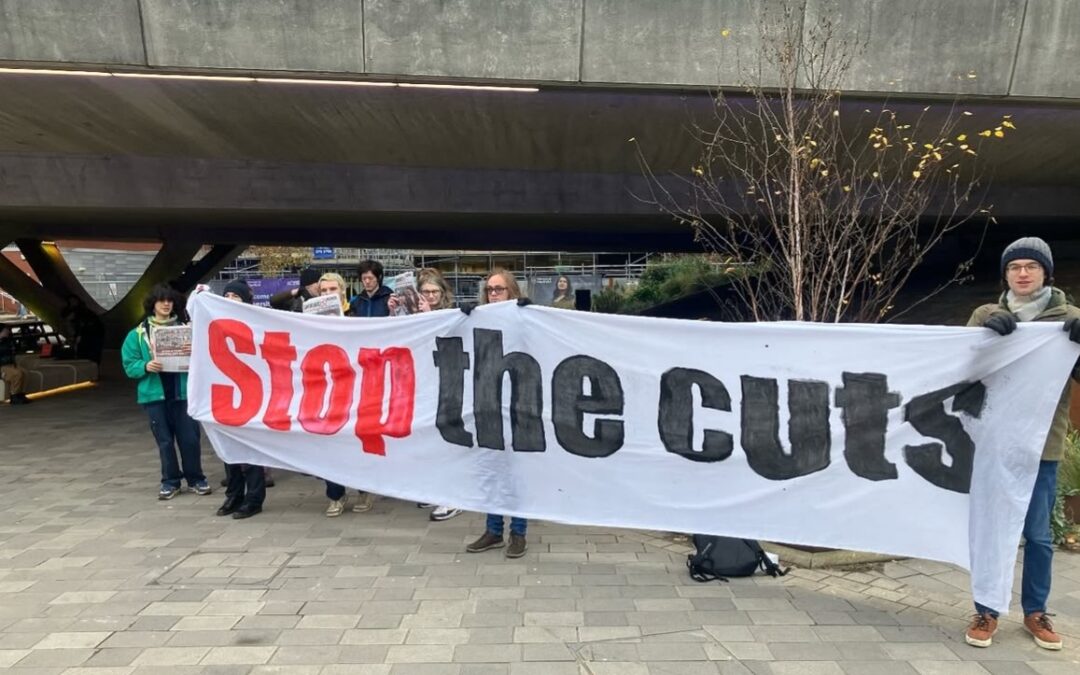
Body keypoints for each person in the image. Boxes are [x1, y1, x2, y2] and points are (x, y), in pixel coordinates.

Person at [965, 237, 1080, 651]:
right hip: (993, 442)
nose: (1023, 273)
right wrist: (985, 335)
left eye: (1032, 266)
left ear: (1047, 272)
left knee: (1039, 535)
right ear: (1006, 274)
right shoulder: (986, 313)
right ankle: (986, 609)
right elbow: (966, 368)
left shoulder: (1070, 318)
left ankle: (1036, 610)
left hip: (1042, 446)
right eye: (1015, 267)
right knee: (991, 529)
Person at [121, 284, 211, 500]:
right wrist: (144, 366)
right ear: (153, 304)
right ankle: (170, 481)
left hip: (183, 394)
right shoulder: (138, 334)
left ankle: (196, 478)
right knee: (165, 441)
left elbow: (205, 358)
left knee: (190, 438)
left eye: (169, 300)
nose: (166, 304)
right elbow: (128, 364)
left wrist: (194, 352)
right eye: (161, 300)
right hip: (155, 395)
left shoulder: (188, 329)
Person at [465, 269, 530, 558]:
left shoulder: (524, 320)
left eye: (499, 289)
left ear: (512, 292)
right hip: (488, 404)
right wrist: (461, 316)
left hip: (518, 404)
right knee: (491, 470)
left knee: (516, 472)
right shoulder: (477, 317)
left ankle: (518, 532)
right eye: (490, 289)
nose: (493, 294)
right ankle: (493, 530)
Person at [316, 272, 375, 516]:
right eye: (323, 291)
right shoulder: (310, 319)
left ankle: (364, 489)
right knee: (328, 444)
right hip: (324, 389)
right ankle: (335, 494)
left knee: (355, 442)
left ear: (342, 291)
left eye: (332, 289)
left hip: (354, 388)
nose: (328, 294)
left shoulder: (355, 315)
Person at [413, 269, 463, 522]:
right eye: (425, 292)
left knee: (446, 441)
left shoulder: (451, 315)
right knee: (428, 440)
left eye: (434, 292)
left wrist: (428, 317)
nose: (430, 296)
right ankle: (435, 490)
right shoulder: (415, 313)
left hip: (446, 385)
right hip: (422, 384)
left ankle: (453, 497)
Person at [215, 280, 266, 519]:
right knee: (229, 447)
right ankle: (233, 495)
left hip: (251, 393)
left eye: (237, 295)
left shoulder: (257, 324)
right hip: (225, 393)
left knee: (251, 449)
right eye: (228, 295)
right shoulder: (214, 323)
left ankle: (254, 498)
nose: (231, 299)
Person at [0, 323, 31, 405]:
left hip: (11, 364)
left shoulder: (8, 341)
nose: (8, 332)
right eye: (6, 330)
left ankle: (21, 394)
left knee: (25, 373)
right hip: (2, 366)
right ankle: (14, 395)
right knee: (17, 373)